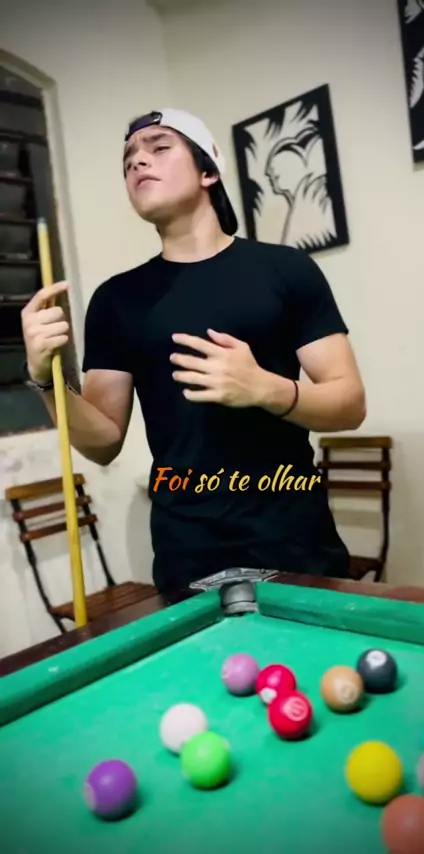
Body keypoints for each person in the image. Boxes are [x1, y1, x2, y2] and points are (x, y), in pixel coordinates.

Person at [21, 108, 366, 594]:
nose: (138, 162)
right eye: (128, 159)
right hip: (188, 557)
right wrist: (44, 377)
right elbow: (103, 441)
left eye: (159, 147)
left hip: (296, 543)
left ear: (208, 171)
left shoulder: (287, 269)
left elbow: (349, 404)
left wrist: (265, 388)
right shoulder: (116, 300)